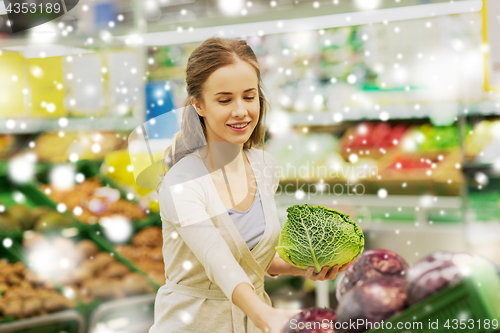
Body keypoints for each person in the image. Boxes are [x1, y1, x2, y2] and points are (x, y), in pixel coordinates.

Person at [150, 37, 351, 333]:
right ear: (199, 105)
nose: (241, 111)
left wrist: (302, 266)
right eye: (224, 100)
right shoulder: (182, 183)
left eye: (249, 96)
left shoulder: (264, 166)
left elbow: (253, 256)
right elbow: (218, 261)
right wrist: (264, 314)